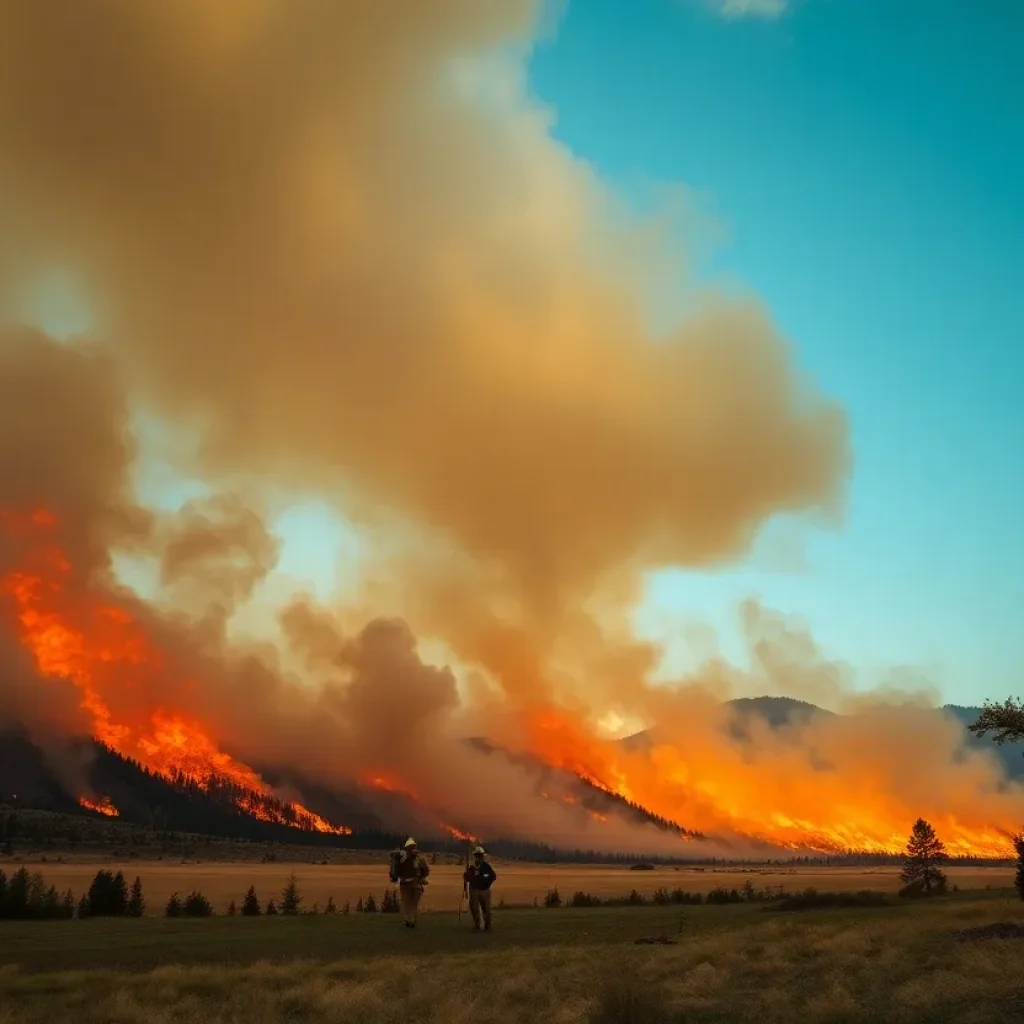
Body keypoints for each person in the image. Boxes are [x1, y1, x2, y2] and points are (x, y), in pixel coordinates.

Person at [393, 837, 430, 928]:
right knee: (411, 904)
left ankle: (409, 920)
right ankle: (410, 920)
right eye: (411, 848)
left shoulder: (405, 859)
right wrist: (422, 878)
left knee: (409, 903)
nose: (412, 850)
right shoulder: (416, 859)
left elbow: (397, 872)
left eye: (412, 848)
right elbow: (425, 871)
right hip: (411, 884)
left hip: (410, 884)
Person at [463, 845, 497, 931]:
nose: (478, 857)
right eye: (477, 855)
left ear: (482, 856)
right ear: (475, 856)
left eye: (480, 855)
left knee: (487, 909)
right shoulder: (471, 868)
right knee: (474, 909)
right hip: (474, 891)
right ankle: (478, 925)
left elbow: (493, 876)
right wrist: (466, 876)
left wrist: (486, 883)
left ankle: (488, 925)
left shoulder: (486, 867)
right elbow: (468, 878)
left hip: (485, 891)